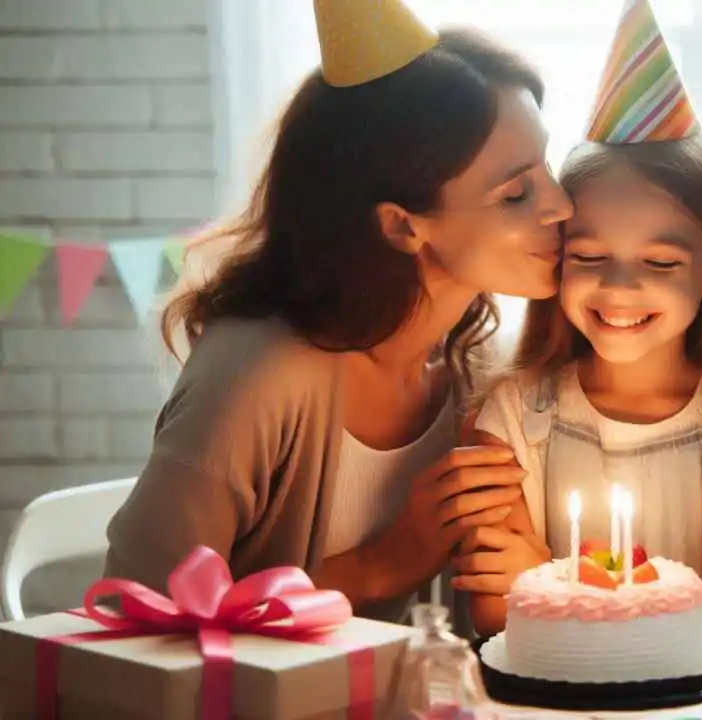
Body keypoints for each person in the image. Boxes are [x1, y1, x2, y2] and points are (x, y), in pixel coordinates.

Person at [103, 0, 573, 623]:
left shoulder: (471, 361)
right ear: (402, 226)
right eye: (516, 193)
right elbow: (139, 612)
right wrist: (382, 563)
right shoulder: (259, 375)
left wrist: (524, 566)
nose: (562, 206)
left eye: (548, 167)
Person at [450, 0, 702, 646]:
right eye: (589, 256)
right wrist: (681, 602)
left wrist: (559, 585)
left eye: (659, 260)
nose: (620, 286)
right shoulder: (513, 417)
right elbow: (488, 609)